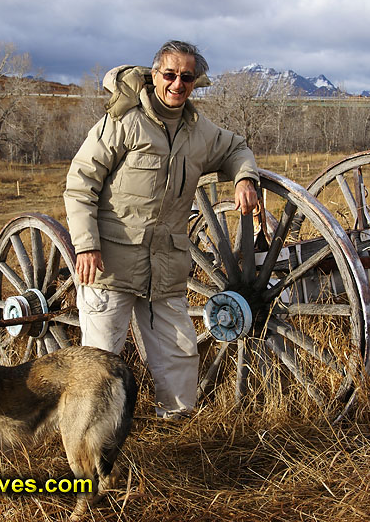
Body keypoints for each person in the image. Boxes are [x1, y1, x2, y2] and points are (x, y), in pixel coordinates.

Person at [63, 40, 259, 419]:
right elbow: (80, 183)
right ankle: (91, 444)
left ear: (195, 82)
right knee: (99, 362)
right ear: (154, 76)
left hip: (166, 267)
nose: (177, 84)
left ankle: (176, 432)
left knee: (180, 354)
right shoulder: (122, 122)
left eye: (186, 77)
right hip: (111, 265)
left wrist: (244, 179)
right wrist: (86, 246)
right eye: (169, 74)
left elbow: (237, 149)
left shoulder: (199, 131)